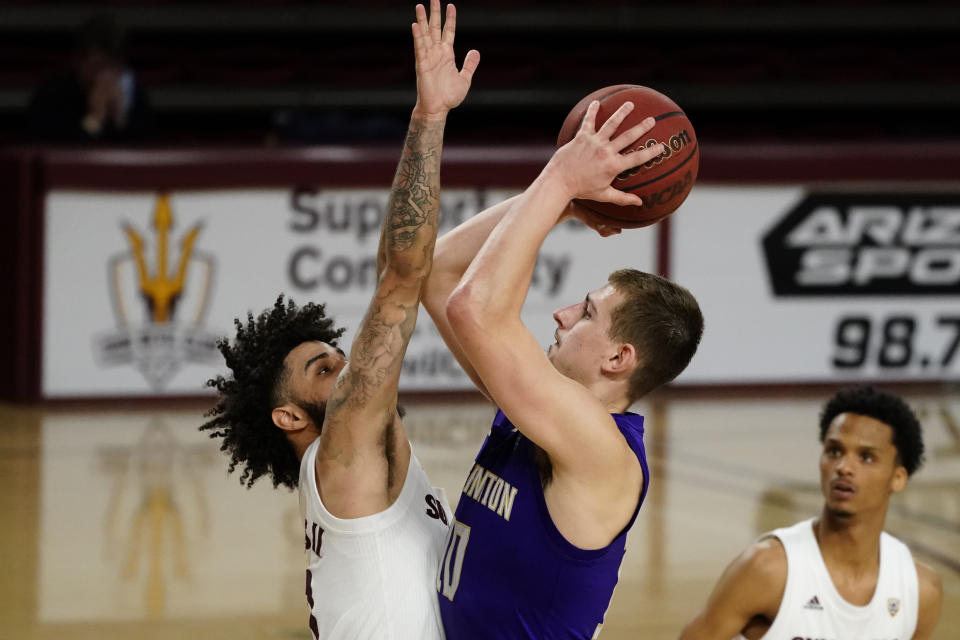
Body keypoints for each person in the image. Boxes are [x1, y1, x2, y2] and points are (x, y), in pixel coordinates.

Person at [199, 2, 479, 638]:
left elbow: (405, 265)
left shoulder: (358, 468)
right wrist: (430, 116)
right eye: (325, 368)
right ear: (291, 417)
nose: (351, 367)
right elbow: (404, 275)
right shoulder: (342, 455)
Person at [421, 100, 704, 637]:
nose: (562, 313)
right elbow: (440, 274)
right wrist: (566, 202)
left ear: (618, 358)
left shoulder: (601, 451)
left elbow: (473, 307)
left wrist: (562, 178)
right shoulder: (536, 413)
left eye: (587, 312)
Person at [679, 386, 943, 640]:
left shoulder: (920, 591)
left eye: (866, 457)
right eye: (834, 451)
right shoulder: (768, 568)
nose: (844, 467)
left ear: (897, 478)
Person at [27, 13, 151, 142]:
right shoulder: (51, 96)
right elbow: (57, 152)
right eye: (98, 66)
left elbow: (142, 148)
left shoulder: (134, 93)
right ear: (77, 62)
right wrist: (95, 119)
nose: (106, 75)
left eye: (115, 67)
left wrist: (120, 118)